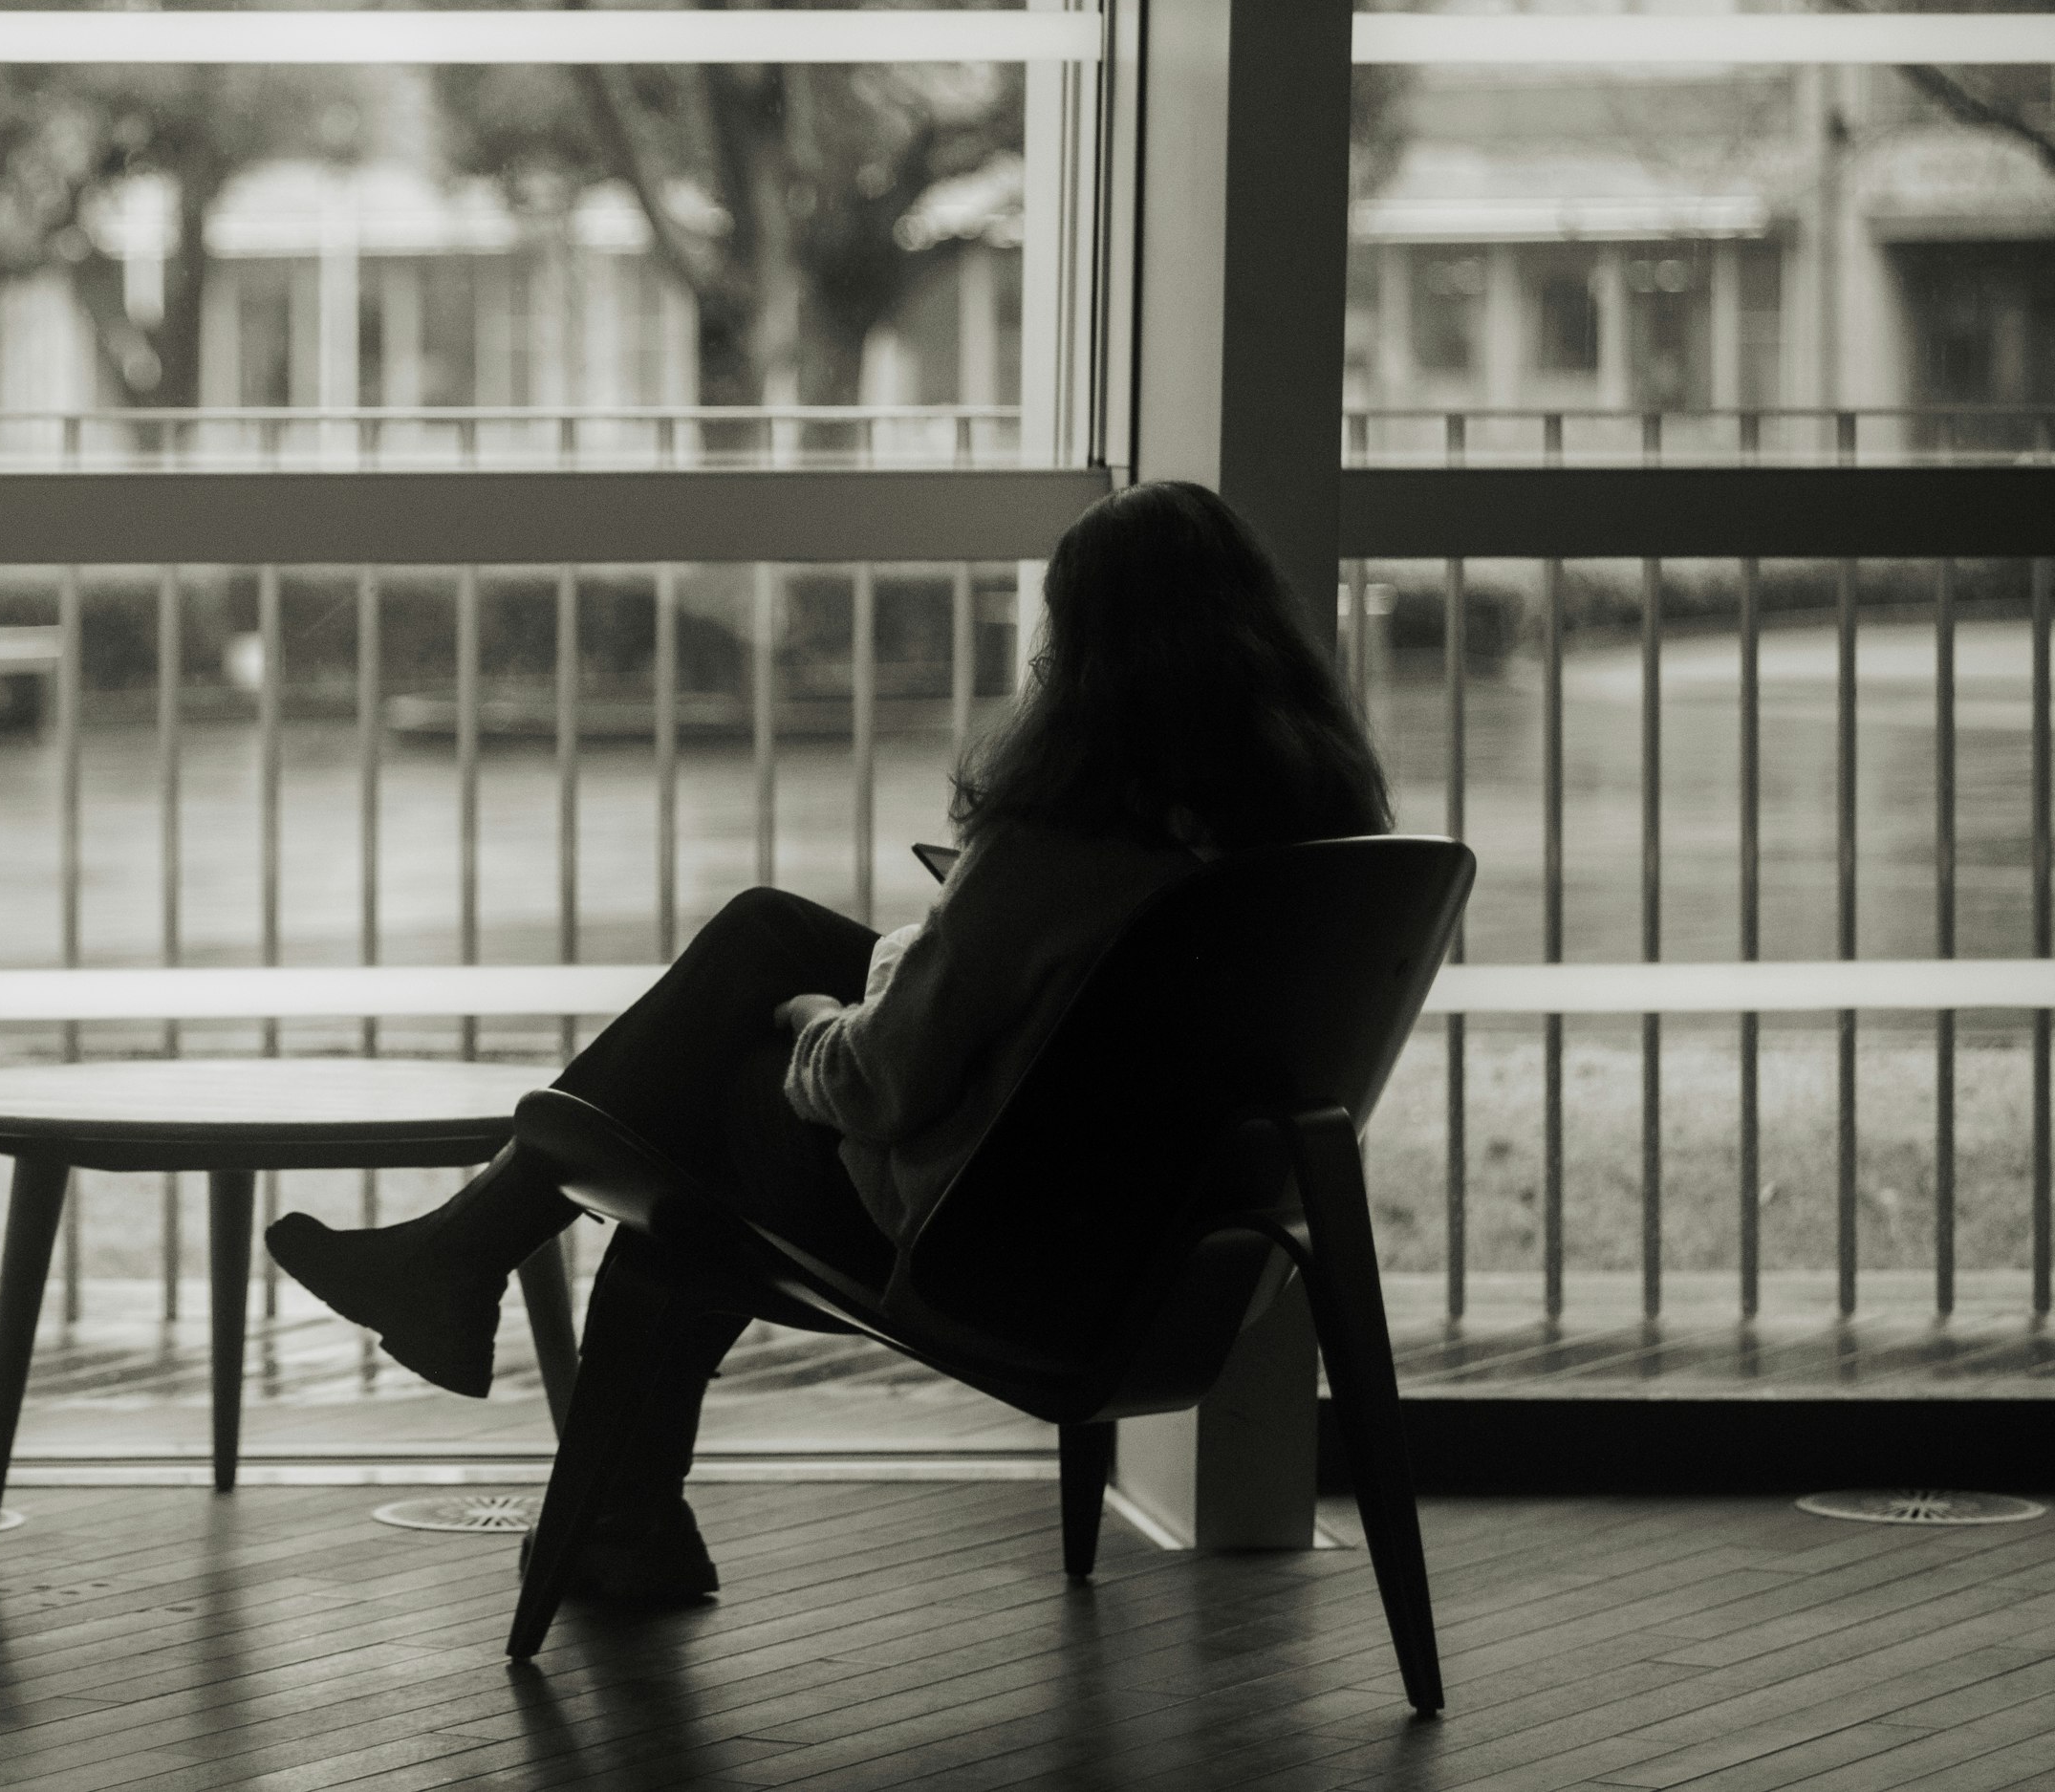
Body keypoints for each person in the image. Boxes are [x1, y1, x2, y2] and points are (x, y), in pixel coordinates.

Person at [265, 481, 1392, 1601]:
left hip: (988, 1248)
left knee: (689, 1131)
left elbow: (872, 1087)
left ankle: (488, 1308)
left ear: (1087, 648)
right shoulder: (1318, 844)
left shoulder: (1067, 836)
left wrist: (816, 1018)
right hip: (1170, 1257)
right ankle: (564, 1430)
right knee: (766, 941)